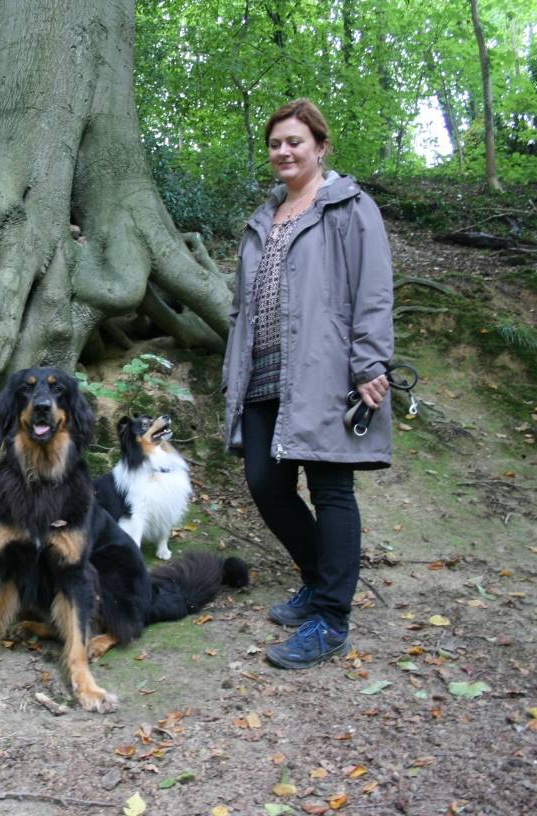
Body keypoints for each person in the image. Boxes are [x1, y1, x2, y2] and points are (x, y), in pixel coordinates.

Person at [221, 98, 394, 669]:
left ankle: (331, 618)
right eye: (275, 143)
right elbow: (242, 307)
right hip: (263, 374)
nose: (283, 151)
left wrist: (371, 362)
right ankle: (321, 582)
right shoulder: (261, 218)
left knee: (331, 490)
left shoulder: (348, 207)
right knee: (266, 484)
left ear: (320, 147)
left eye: (295, 141)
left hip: (325, 371)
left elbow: (372, 288)